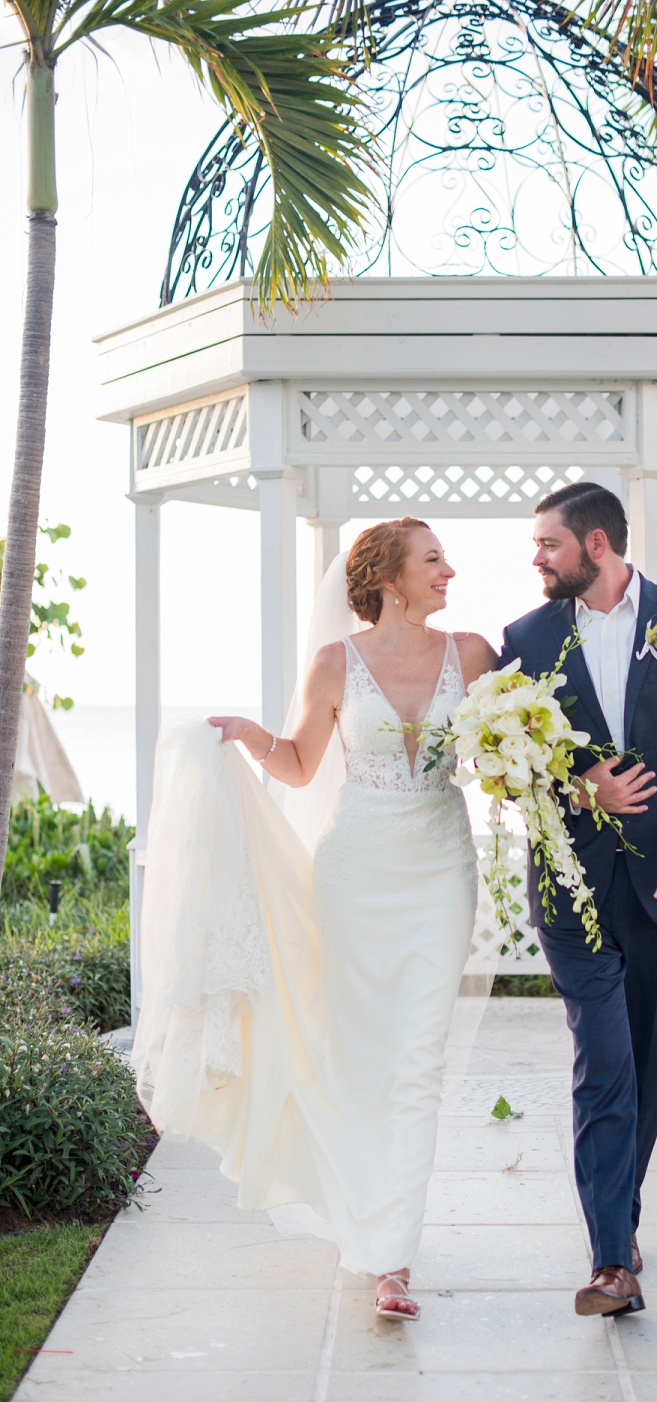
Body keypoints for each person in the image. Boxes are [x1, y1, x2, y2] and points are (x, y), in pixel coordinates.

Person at [133, 517, 497, 1323]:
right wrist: (243, 737)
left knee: (419, 1062)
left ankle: (392, 1258)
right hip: (357, 869)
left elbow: (498, 755)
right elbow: (299, 767)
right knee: (362, 1057)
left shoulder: (472, 655)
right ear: (390, 578)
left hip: (440, 865)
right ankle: (369, 1233)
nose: (449, 572)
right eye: (433, 560)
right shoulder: (335, 664)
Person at [499, 482, 657, 1318]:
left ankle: (621, 1215)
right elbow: (508, 768)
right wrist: (582, 789)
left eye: (548, 545)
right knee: (602, 1059)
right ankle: (612, 1261)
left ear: (597, 544)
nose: (535, 558)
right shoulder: (525, 641)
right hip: (568, 886)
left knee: (642, 1063)